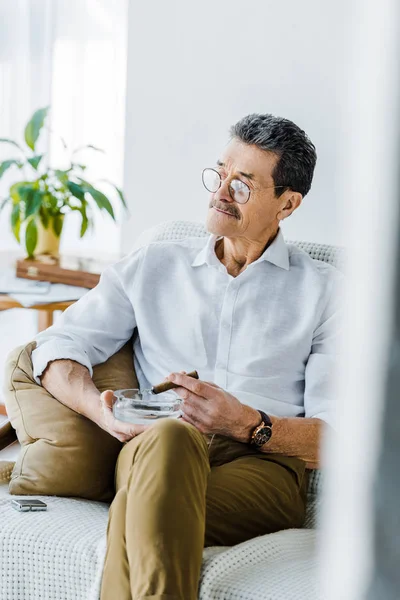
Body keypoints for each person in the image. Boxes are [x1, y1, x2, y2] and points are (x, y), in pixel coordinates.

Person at [32, 113, 341, 600]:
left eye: (243, 185)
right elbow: (56, 346)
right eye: (220, 173)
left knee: (142, 507)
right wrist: (102, 413)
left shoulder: (325, 293)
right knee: (171, 441)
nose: (221, 192)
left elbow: (337, 440)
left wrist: (244, 422)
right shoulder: (154, 265)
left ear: (287, 204)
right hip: (153, 448)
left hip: (262, 467)